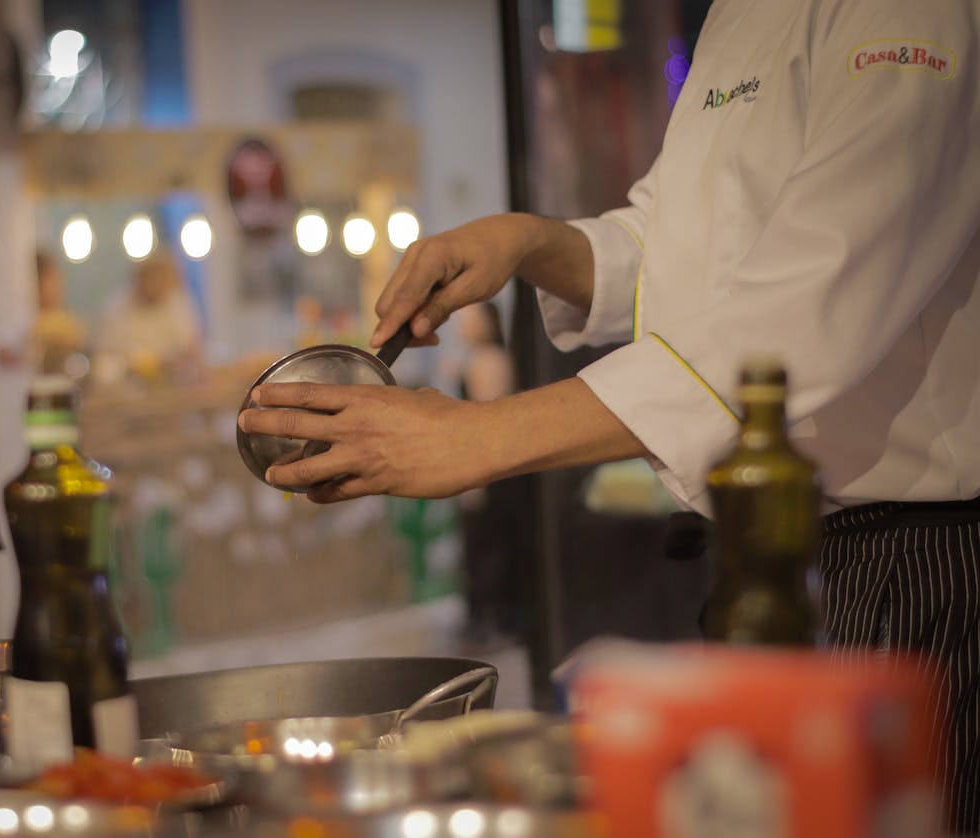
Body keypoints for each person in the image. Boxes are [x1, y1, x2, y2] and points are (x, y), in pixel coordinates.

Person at [237, 0, 980, 829]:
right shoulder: (739, 15)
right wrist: (533, 243)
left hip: (926, 563)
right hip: (809, 556)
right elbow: (689, 254)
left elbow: (807, 310)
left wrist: (480, 435)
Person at [453, 302, 525, 647]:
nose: (463, 325)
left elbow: (485, 424)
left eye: (470, 318)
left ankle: (491, 620)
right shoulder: (479, 359)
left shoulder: (489, 361)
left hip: (486, 474)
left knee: (486, 550)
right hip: (480, 472)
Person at [93, 251, 203, 385]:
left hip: (173, 383)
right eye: (151, 277)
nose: (156, 285)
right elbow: (103, 354)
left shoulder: (176, 302)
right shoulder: (117, 308)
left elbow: (192, 347)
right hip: (127, 386)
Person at [30, 250, 88, 377]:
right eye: (52, 279)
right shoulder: (29, 323)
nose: (59, 287)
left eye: (59, 280)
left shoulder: (63, 319)